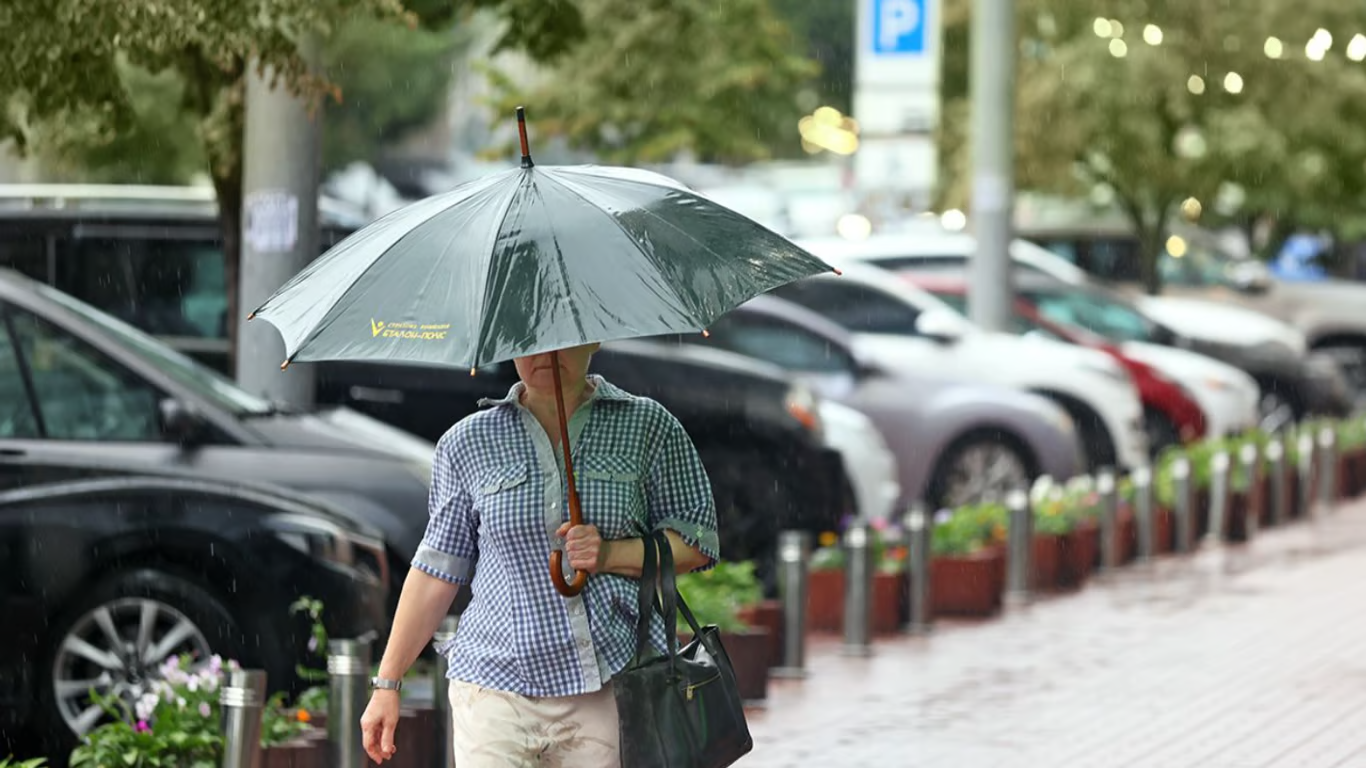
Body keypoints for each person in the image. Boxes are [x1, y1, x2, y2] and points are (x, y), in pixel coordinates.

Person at [359, 342, 719, 767]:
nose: (545, 355)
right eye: (527, 343)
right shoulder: (467, 442)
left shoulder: (649, 426)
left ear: (595, 339)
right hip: (492, 682)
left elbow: (698, 542)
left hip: (609, 681)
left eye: (562, 341)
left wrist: (609, 554)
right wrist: (388, 683)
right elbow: (437, 569)